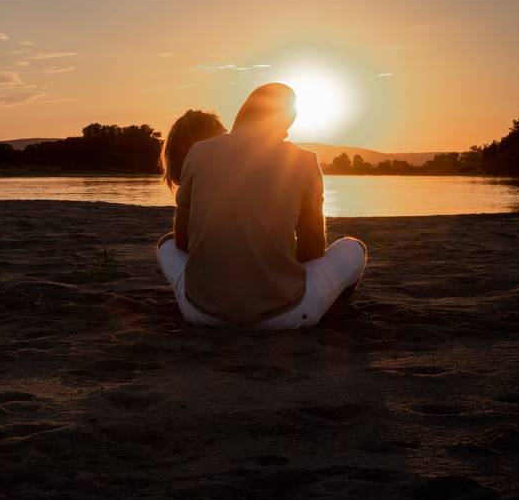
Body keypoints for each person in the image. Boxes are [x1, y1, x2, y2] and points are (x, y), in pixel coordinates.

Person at [156, 83, 367, 330]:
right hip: (284, 315)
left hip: (200, 313)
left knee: (166, 244)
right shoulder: (304, 160)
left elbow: (183, 243)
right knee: (354, 248)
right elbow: (312, 250)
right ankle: (328, 305)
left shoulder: (198, 152)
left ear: (243, 113)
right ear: (284, 125)